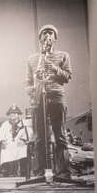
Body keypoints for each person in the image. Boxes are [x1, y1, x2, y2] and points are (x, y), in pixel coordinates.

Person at [25, 24, 72, 178]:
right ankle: (39, 173)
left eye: (51, 33)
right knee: (39, 137)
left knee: (60, 135)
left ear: (55, 38)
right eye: (44, 33)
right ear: (40, 39)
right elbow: (27, 83)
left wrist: (53, 68)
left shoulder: (63, 55)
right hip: (39, 99)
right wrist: (31, 90)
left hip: (57, 97)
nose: (47, 35)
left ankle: (63, 173)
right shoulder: (32, 59)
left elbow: (67, 77)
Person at [0, 104, 31, 177]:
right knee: (5, 150)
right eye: (11, 114)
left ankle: (23, 170)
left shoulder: (23, 123)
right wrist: (2, 141)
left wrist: (23, 140)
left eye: (15, 113)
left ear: (18, 115)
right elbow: (0, 134)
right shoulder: (5, 124)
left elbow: (29, 132)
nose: (13, 115)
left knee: (23, 149)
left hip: (19, 144)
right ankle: (6, 170)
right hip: (8, 144)